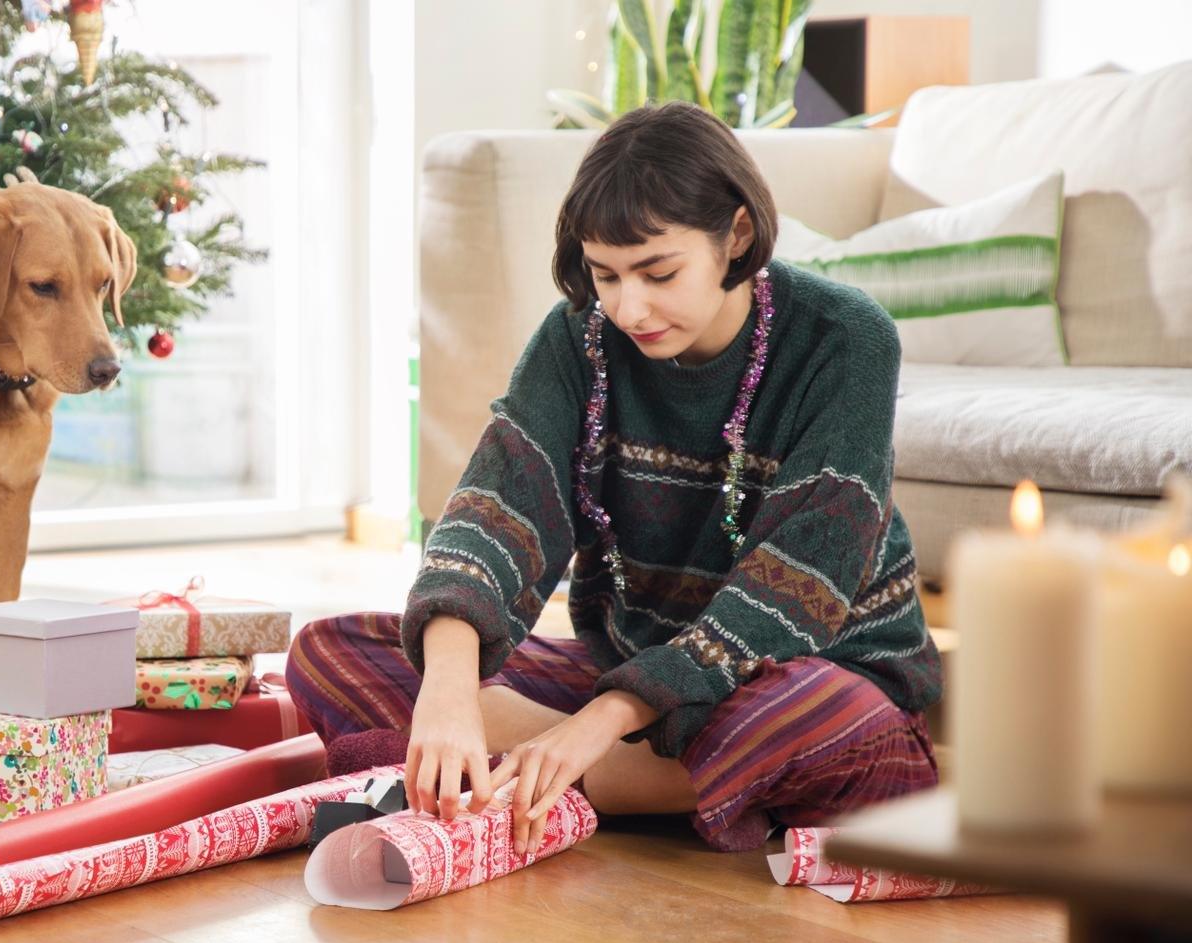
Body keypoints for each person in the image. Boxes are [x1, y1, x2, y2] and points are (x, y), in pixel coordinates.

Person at [287, 102, 941, 859]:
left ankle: (559, 772)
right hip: (634, 676)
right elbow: (498, 505)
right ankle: (635, 781)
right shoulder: (578, 339)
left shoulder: (846, 339)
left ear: (734, 235)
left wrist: (592, 727)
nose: (630, 307)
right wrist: (448, 687)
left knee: (816, 713)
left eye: (659, 273)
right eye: (606, 276)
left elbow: (795, 592)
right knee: (331, 650)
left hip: (812, 677)